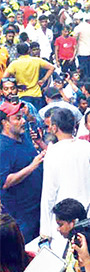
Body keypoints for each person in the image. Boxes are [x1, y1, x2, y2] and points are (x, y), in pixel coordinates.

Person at [40, 108, 90, 253]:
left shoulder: (53, 153)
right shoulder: (86, 146)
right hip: (86, 214)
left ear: (55, 127)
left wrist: (45, 233)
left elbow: (48, 194)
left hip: (62, 218)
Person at [0, 101, 45, 243]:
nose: (23, 121)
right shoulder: (2, 148)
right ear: (5, 123)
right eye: (18, 118)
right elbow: (5, 182)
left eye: (22, 117)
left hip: (38, 206)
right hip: (21, 214)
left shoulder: (24, 136)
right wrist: (32, 166)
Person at [3, 43, 55, 111]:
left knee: (26, 116)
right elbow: (52, 67)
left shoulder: (14, 64)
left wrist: (16, 86)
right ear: (29, 51)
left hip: (22, 94)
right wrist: (43, 79)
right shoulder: (36, 60)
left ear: (17, 52)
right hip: (36, 94)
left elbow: (4, 78)